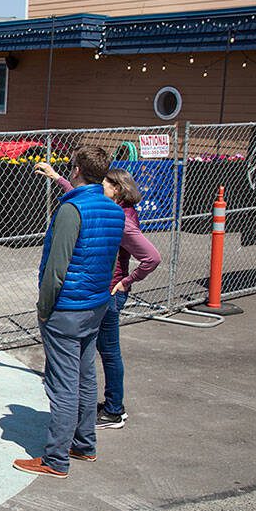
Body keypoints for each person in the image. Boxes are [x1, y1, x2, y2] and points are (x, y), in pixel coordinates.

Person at [14, 145, 124, 479]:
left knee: (62, 383)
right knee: (85, 375)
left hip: (67, 308)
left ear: (76, 169)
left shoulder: (71, 210)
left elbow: (56, 269)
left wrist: (44, 309)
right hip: (95, 305)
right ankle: (84, 443)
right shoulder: (113, 210)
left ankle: (55, 458)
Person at [34, 163, 161, 429]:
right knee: (97, 354)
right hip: (101, 292)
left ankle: (114, 410)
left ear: (117, 190)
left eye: (104, 184)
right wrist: (59, 178)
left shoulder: (121, 219)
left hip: (108, 293)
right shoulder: (112, 211)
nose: (98, 187)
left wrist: (127, 282)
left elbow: (151, 257)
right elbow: (84, 200)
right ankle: (106, 409)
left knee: (108, 352)